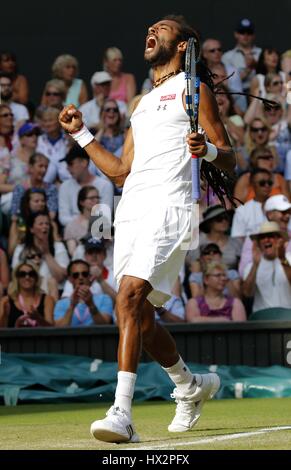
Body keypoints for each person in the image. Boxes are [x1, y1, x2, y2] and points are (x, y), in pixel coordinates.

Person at [59, 14, 235, 443]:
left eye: (163, 28)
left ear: (182, 46)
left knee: (130, 296)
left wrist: (208, 149)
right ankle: (189, 386)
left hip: (172, 208)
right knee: (137, 314)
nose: (151, 31)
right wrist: (82, 134)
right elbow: (120, 172)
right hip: (132, 209)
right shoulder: (139, 103)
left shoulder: (194, 91)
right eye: (150, 28)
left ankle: (121, 413)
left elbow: (229, 159)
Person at [243, 221, 291, 312]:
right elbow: (247, 293)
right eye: (262, 237)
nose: (266, 240)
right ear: (258, 244)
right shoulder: (251, 266)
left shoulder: (289, 258)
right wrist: (255, 265)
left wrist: (283, 259)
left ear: (279, 240)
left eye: (270, 236)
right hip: (263, 318)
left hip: (288, 316)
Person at [54, 260, 113, 326]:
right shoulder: (60, 303)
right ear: (70, 279)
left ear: (89, 277)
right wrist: (72, 306)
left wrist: (91, 304)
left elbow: (104, 326)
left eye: (84, 274)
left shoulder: (104, 299)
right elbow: (59, 329)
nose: (80, 277)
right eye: (76, 275)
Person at [0, 262, 55, 327]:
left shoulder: (47, 300)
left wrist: (38, 318)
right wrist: (5, 316)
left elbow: (51, 329)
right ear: (17, 278)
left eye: (31, 274)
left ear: (36, 278)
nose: (27, 277)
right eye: (22, 274)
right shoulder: (5, 301)